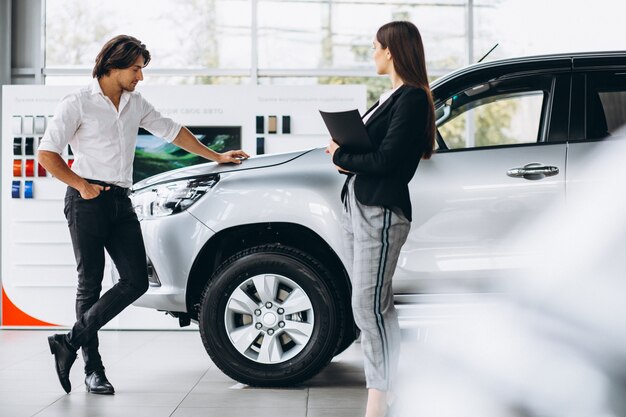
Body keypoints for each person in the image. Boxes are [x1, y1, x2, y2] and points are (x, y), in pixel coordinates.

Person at [38, 35, 249, 395]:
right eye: (135, 69)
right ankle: (94, 370)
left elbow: (172, 130)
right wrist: (82, 185)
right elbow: (47, 154)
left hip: (121, 200)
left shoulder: (135, 103)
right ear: (112, 65)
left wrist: (215, 156)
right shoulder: (77, 102)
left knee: (135, 281)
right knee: (89, 284)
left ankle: (68, 341)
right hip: (85, 199)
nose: (140, 76)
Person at [326, 21, 435, 417]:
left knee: (366, 307)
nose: (371, 53)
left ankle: (379, 397)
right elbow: (372, 154)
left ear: (391, 50)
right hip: (360, 205)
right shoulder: (390, 97)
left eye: (375, 47)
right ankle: (388, 392)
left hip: (381, 210)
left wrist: (340, 155)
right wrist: (346, 154)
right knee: (377, 305)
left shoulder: (412, 99)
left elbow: (389, 163)